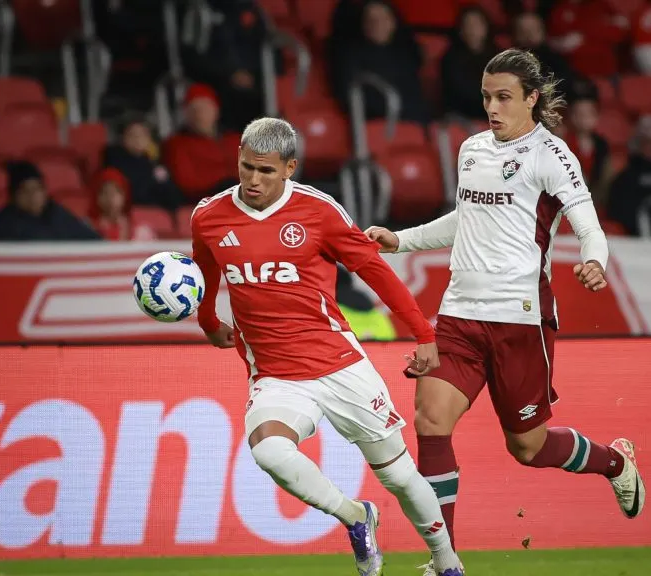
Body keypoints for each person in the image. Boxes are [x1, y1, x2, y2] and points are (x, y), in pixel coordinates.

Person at [364, 49, 646, 572]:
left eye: (504, 98)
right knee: (430, 420)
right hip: (458, 316)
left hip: (519, 320)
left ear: (532, 99)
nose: (492, 107)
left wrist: (593, 260)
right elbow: (464, 220)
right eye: (486, 97)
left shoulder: (551, 155)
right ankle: (443, 559)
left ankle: (613, 462)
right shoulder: (471, 149)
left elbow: (589, 224)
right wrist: (399, 240)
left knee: (529, 447)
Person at [190, 117, 464, 576]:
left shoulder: (320, 212)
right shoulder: (209, 216)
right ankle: (356, 517)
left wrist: (424, 334)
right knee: (268, 451)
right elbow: (207, 272)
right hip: (275, 374)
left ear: (289, 167)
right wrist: (206, 321)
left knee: (397, 474)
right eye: (246, 167)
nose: (253, 180)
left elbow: (374, 270)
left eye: (266, 171)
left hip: (339, 365)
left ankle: (445, 559)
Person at [0, 161, 101, 241]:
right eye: (25, 191)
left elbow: (90, 239)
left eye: (37, 189)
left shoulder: (57, 214)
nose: (33, 196)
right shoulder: (3, 223)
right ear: (14, 196)